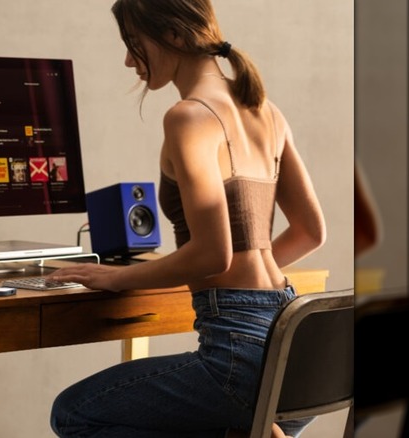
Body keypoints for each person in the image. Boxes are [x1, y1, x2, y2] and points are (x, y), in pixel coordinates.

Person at [47, 0, 326, 437]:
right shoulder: (267, 111)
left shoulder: (187, 117)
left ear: (174, 36)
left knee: (74, 413)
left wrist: (114, 279)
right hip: (296, 359)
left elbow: (213, 255)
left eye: (134, 44)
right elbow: (311, 233)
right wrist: (243, 279)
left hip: (242, 361)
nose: (127, 60)